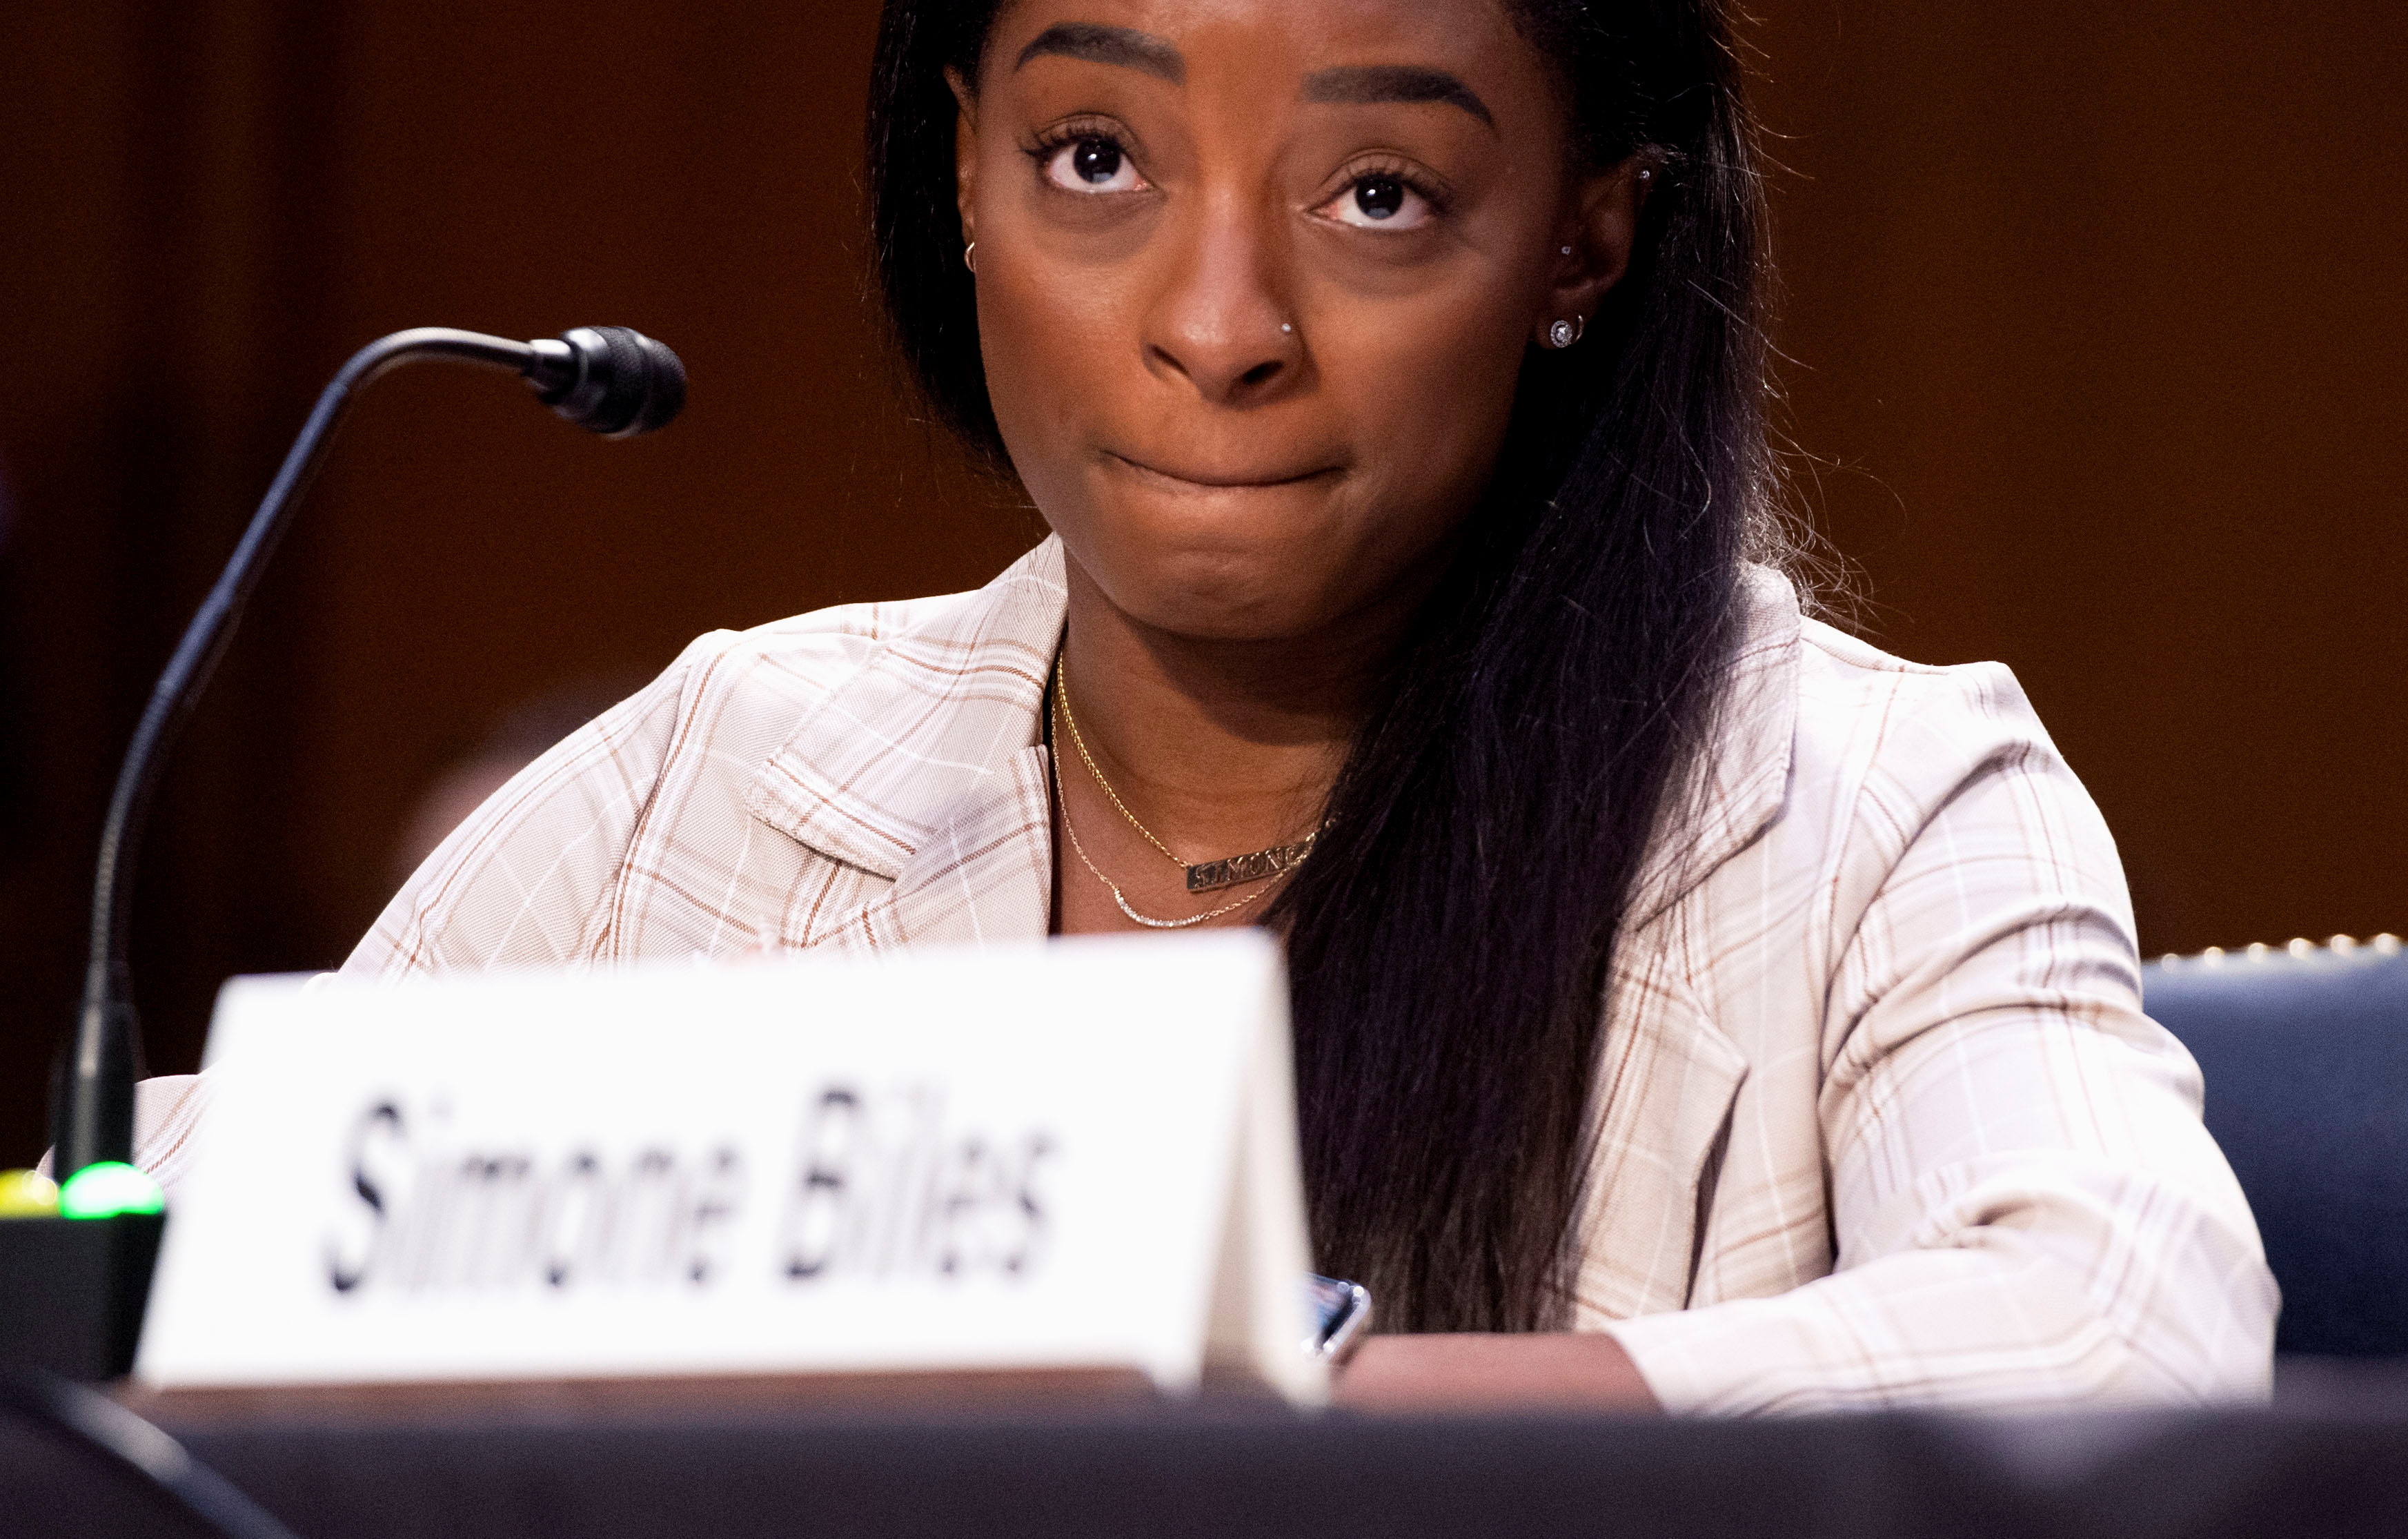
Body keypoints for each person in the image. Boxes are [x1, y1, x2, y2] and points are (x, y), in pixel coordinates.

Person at [137, 0, 2277, 1413]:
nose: (1218, 324)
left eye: (1377, 195)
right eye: (1095, 158)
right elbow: (150, 1278)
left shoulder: (1871, 801)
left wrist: (1280, 1417)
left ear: (1581, 243)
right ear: (960, 173)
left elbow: (2122, 1332)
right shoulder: (723, 773)